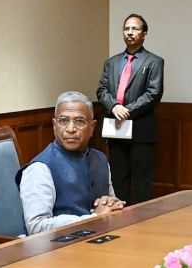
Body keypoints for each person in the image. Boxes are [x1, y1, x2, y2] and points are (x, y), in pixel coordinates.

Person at [17, 91, 124, 234]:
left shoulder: (100, 159)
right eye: (63, 121)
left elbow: (109, 204)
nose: (70, 129)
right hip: (57, 249)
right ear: (54, 125)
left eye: (79, 121)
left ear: (92, 127)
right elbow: (36, 227)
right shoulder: (40, 168)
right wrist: (93, 219)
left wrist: (112, 204)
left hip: (99, 240)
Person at [95, 14, 165, 203]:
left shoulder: (154, 62)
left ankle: (142, 224)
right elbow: (101, 90)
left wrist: (128, 110)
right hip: (115, 127)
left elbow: (154, 93)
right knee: (118, 178)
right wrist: (115, 106)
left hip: (140, 129)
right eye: (126, 29)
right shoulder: (111, 62)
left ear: (144, 34)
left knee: (141, 181)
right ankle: (120, 218)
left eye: (134, 29)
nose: (130, 32)